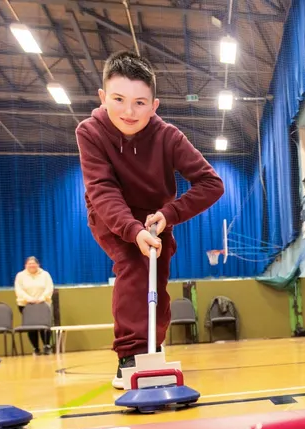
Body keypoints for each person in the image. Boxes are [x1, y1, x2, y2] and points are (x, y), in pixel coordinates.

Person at [76, 51, 224, 388]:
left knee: (156, 277)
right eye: (118, 100)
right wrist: (130, 229)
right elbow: (101, 188)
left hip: (157, 219)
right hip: (111, 216)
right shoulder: (89, 132)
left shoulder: (168, 137)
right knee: (132, 265)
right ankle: (130, 354)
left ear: (154, 105)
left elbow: (212, 184)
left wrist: (169, 214)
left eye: (140, 103)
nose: (129, 112)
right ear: (103, 97)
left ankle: (152, 347)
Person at [14, 256, 54, 355]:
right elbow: (19, 290)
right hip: (26, 305)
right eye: (29, 264)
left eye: (33, 263)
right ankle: (35, 348)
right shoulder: (20, 275)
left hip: (43, 304)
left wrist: (42, 298)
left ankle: (47, 345)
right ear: (25, 265)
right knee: (31, 327)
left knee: (44, 326)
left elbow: (49, 288)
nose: (32, 265)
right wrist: (29, 299)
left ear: (38, 265)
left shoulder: (45, 274)